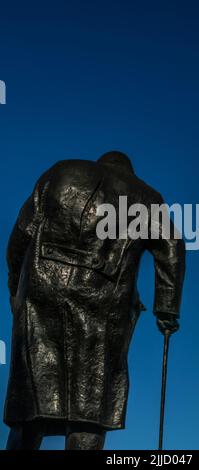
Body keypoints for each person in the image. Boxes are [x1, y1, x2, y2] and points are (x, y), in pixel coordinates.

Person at [4, 151, 185, 450]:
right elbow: (172, 249)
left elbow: (20, 236)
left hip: (39, 295)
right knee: (90, 412)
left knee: (29, 405)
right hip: (103, 304)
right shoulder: (147, 196)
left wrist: (16, 291)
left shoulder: (58, 172)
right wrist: (166, 309)